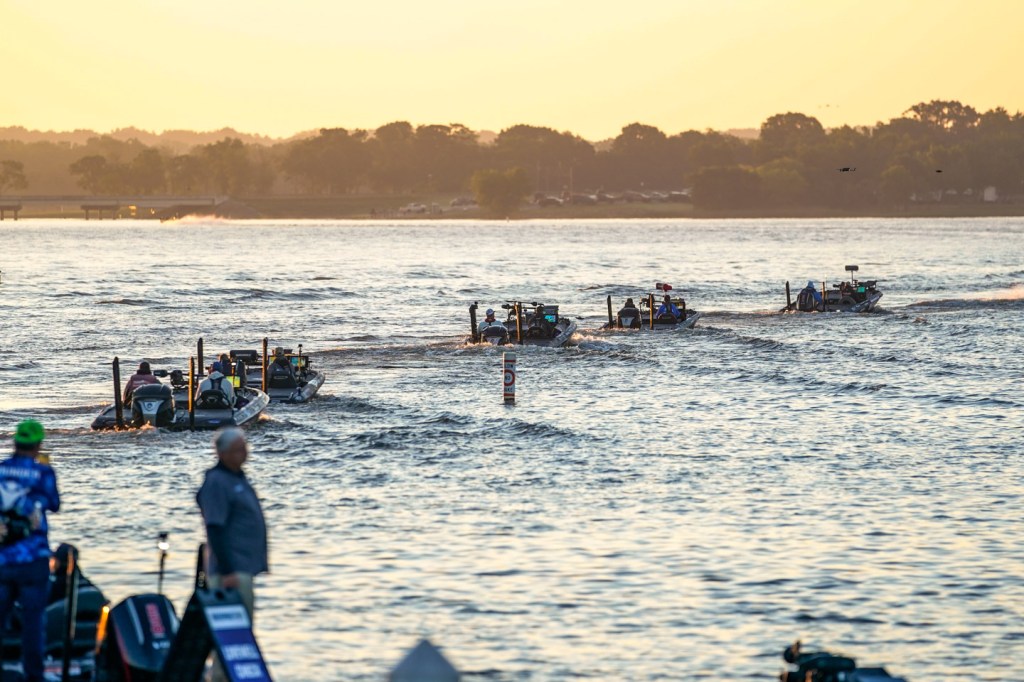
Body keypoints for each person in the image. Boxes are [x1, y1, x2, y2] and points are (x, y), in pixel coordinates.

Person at [197, 428, 268, 682]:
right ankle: (218, 678)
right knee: (232, 638)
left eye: (245, 447)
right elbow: (214, 529)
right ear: (223, 453)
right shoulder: (217, 482)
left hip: (244, 569)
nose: (245, 453)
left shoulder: (237, 478)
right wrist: (227, 571)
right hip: (230, 573)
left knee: (242, 633)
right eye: (239, 449)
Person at [0, 420, 60, 682]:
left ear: (15, 442)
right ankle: (34, 676)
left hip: (3, 559)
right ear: (38, 444)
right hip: (34, 559)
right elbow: (54, 504)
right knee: (34, 624)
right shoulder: (43, 472)